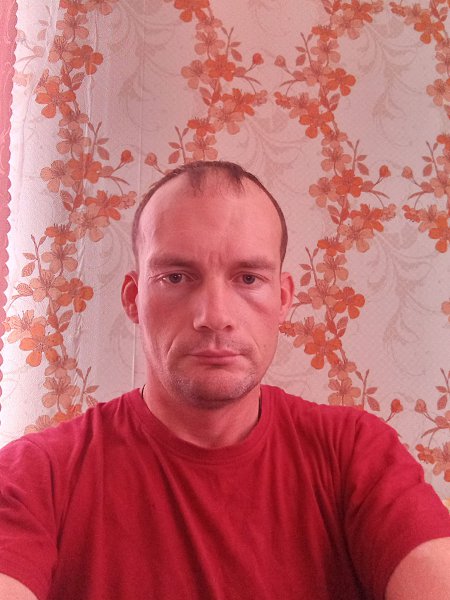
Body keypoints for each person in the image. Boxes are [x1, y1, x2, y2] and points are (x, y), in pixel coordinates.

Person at [0, 160, 449, 600]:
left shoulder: (355, 453)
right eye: (176, 277)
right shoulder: (37, 476)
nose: (214, 316)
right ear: (134, 299)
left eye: (248, 278)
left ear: (284, 299)